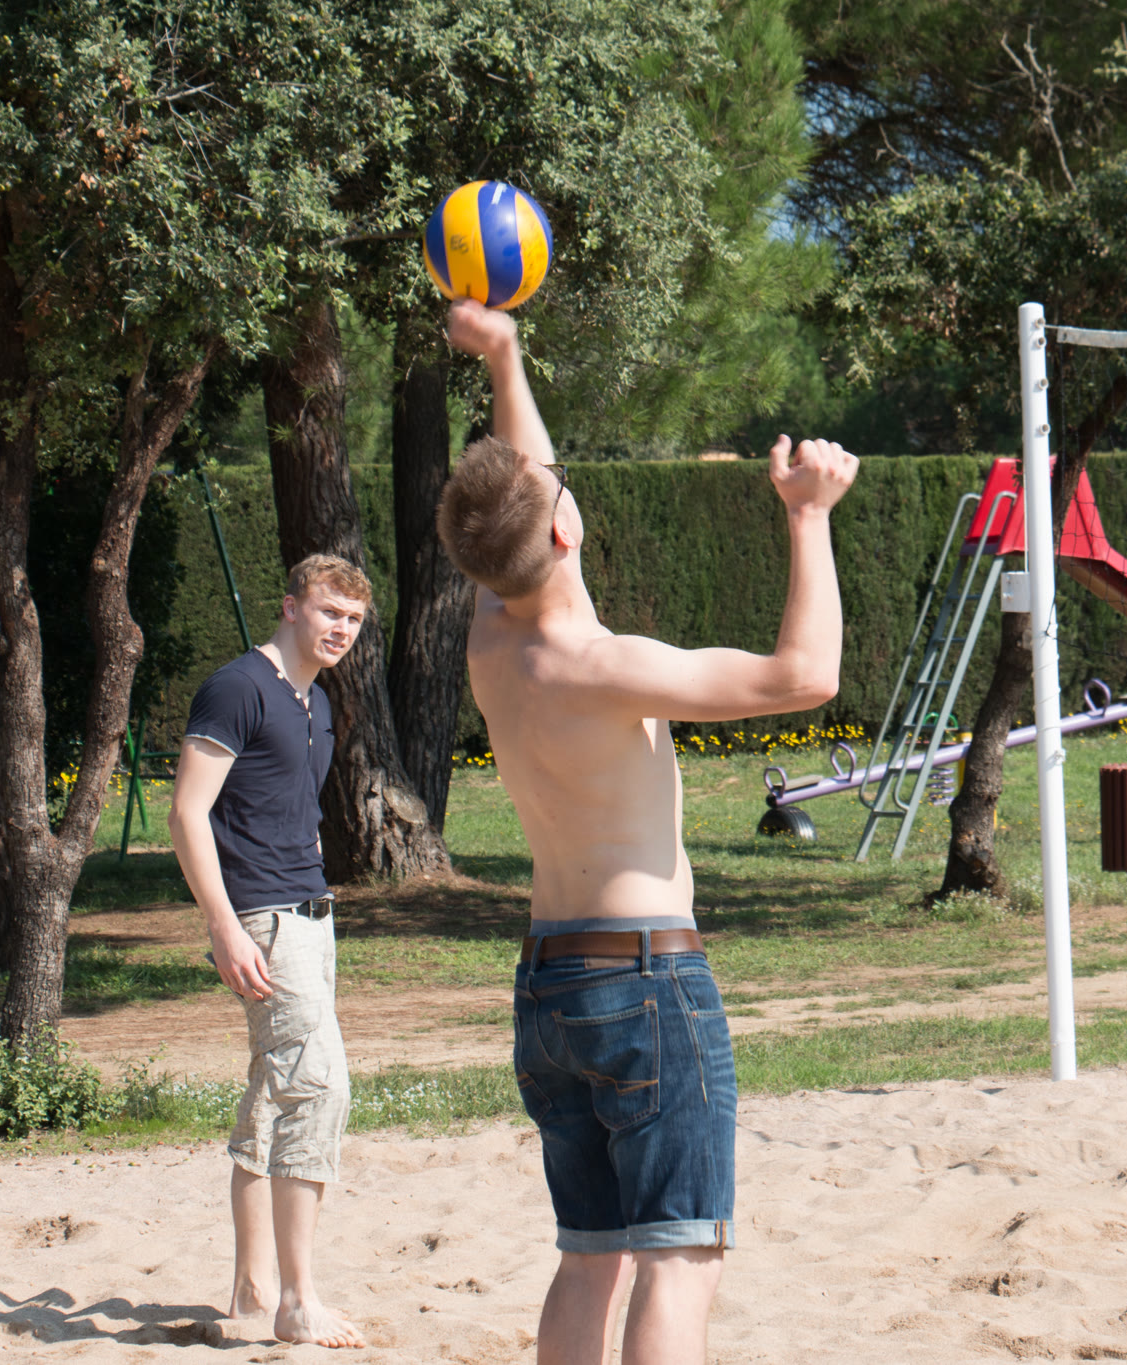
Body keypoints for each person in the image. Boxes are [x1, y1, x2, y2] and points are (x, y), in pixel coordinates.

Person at [436, 297, 857, 1365]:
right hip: (644, 978)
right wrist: (808, 517)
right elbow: (805, 675)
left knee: (593, 1256)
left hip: (550, 984)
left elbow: (523, 487)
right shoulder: (604, 667)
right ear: (567, 531)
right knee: (678, 1257)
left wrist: (506, 356)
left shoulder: (492, 641)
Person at [167, 554, 373, 1351]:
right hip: (264, 921)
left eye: (352, 619)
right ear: (290, 607)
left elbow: (291, 810)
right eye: (328, 611)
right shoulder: (238, 687)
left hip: (312, 916)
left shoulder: (314, 699)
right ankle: (298, 1300)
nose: (340, 629)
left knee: (271, 1097)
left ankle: (252, 1290)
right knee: (316, 1089)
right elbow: (188, 813)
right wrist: (222, 926)